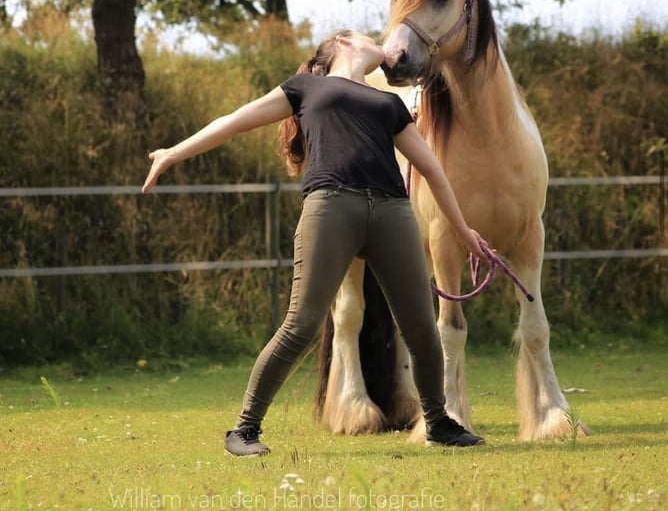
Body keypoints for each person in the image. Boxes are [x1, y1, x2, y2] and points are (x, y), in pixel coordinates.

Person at [142, 29, 489, 456]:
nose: (380, 40)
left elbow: (432, 169)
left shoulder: (390, 104)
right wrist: (173, 153)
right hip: (331, 206)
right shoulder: (307, 87)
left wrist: (464, 230)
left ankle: (438, 422)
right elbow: (233, 122)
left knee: (421, 327)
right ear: (344, 41)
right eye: (368, 34)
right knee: (301, 324)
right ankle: (244, 430)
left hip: (392, 212)